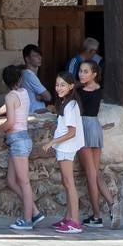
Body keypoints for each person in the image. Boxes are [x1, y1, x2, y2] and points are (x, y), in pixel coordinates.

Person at [0, 65, 41, 231]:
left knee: (24, 182)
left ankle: (27, 220)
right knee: (11, 181)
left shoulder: (10, 96)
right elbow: (11, 108)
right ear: (20, 79)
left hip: (17, 140)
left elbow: (10, 122)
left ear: (4, 81)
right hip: (21, 139)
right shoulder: (23, 93)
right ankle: (35, 212)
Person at [47, 71, 86, 233]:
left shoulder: (70, 106)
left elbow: (72, 132)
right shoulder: (68, 103)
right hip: (64, 148)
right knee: (66, 182)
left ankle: (75, 221)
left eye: (63, 85)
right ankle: (68, 218)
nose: (59, 88)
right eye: (57, 85)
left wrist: (52, 142)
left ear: (71, 86)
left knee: (69, 184)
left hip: (66, 148)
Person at [76, 60, 108, 228]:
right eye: (81, 71)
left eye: (86, 71)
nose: (82, 74)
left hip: (84, 128)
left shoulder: (80, 91)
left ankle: (97, 215)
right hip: (95, 127)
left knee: (91, 176)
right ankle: (111, 204)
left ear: (94, 74)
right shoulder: (99, 91)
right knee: (95, 172)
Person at [20, 44, 52, 111]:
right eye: (35, 55)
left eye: (40, 55)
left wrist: (40, 96)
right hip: (35, 114)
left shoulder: (24, 73)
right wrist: (41, 97)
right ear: (27, 59)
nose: (40, 58)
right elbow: (48, 97)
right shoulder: (29, 75)